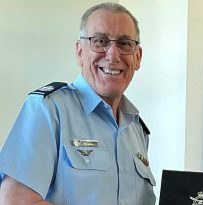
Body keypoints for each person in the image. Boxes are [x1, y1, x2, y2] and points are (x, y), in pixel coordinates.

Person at [0, 2, 156, 205]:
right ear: (80, 51)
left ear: (137, 57)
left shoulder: (137, 129)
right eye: (100, 41)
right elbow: (16, 201)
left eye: (125, 43)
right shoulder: (48, 109)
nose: (113, 55)